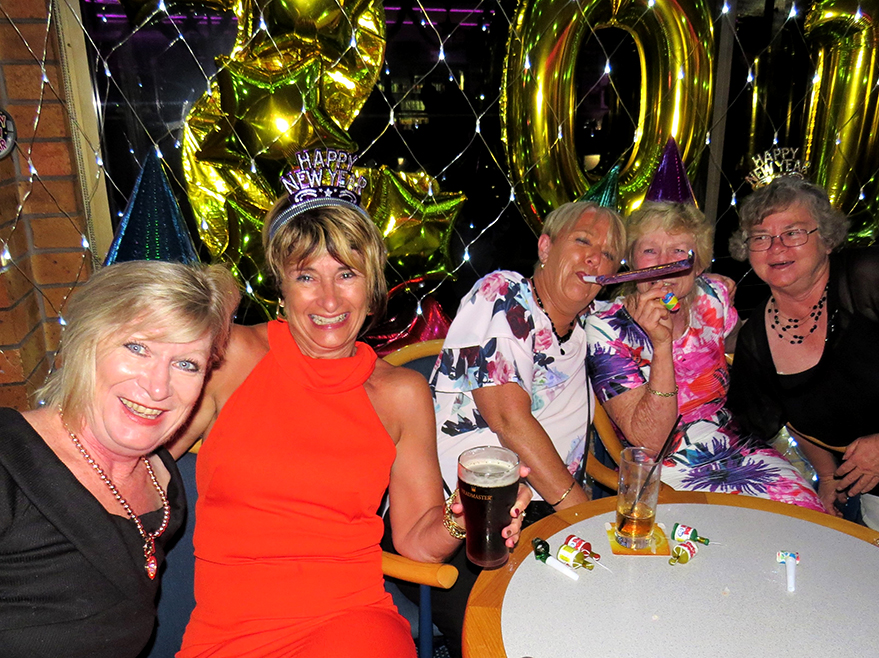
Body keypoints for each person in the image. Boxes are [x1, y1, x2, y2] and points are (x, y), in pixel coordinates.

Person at [174, 171, 531, 658]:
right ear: (281, 285)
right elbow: (140, 456)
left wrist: (460, 518)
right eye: (306, 276)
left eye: (346, 274)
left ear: (372, 285)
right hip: (231, 630)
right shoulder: (231, 356)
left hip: (351, 622)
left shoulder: (401, 393)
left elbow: (416, 542)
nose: (328, 299)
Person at [411, 200, 624, 657]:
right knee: (513, 636)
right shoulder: (503, 294)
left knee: (604, 616)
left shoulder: (587, 333)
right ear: (545, 247)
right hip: (455, 516)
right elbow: (508, 418)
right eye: (583, 241)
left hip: (537, 514)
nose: (595, 259)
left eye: (608, 255)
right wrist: (580, 511)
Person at [0, 260, 235, 657]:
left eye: (186, 364)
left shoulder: (162, 485)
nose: (158, 387)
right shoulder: (8, 465)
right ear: (84, 343)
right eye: (137, 347)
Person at [585, 201, 824, 510]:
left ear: (697, 264)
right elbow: (652, 443)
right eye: (649, 251)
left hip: (738, 447)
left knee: (807, 515)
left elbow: (745, 346)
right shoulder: (607, 328)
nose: (664, 264)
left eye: (678, 252)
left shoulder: (713, 296)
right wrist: (661, 346)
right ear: (629, 261)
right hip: (666, 466)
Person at [728, 176, 879, 535]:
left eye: (793, 232)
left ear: (827, 239)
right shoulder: (756, 339)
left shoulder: (871, 277)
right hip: (878, 494)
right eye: (761, 237)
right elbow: (793, 418)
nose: (776, 248)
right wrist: (825, 475)